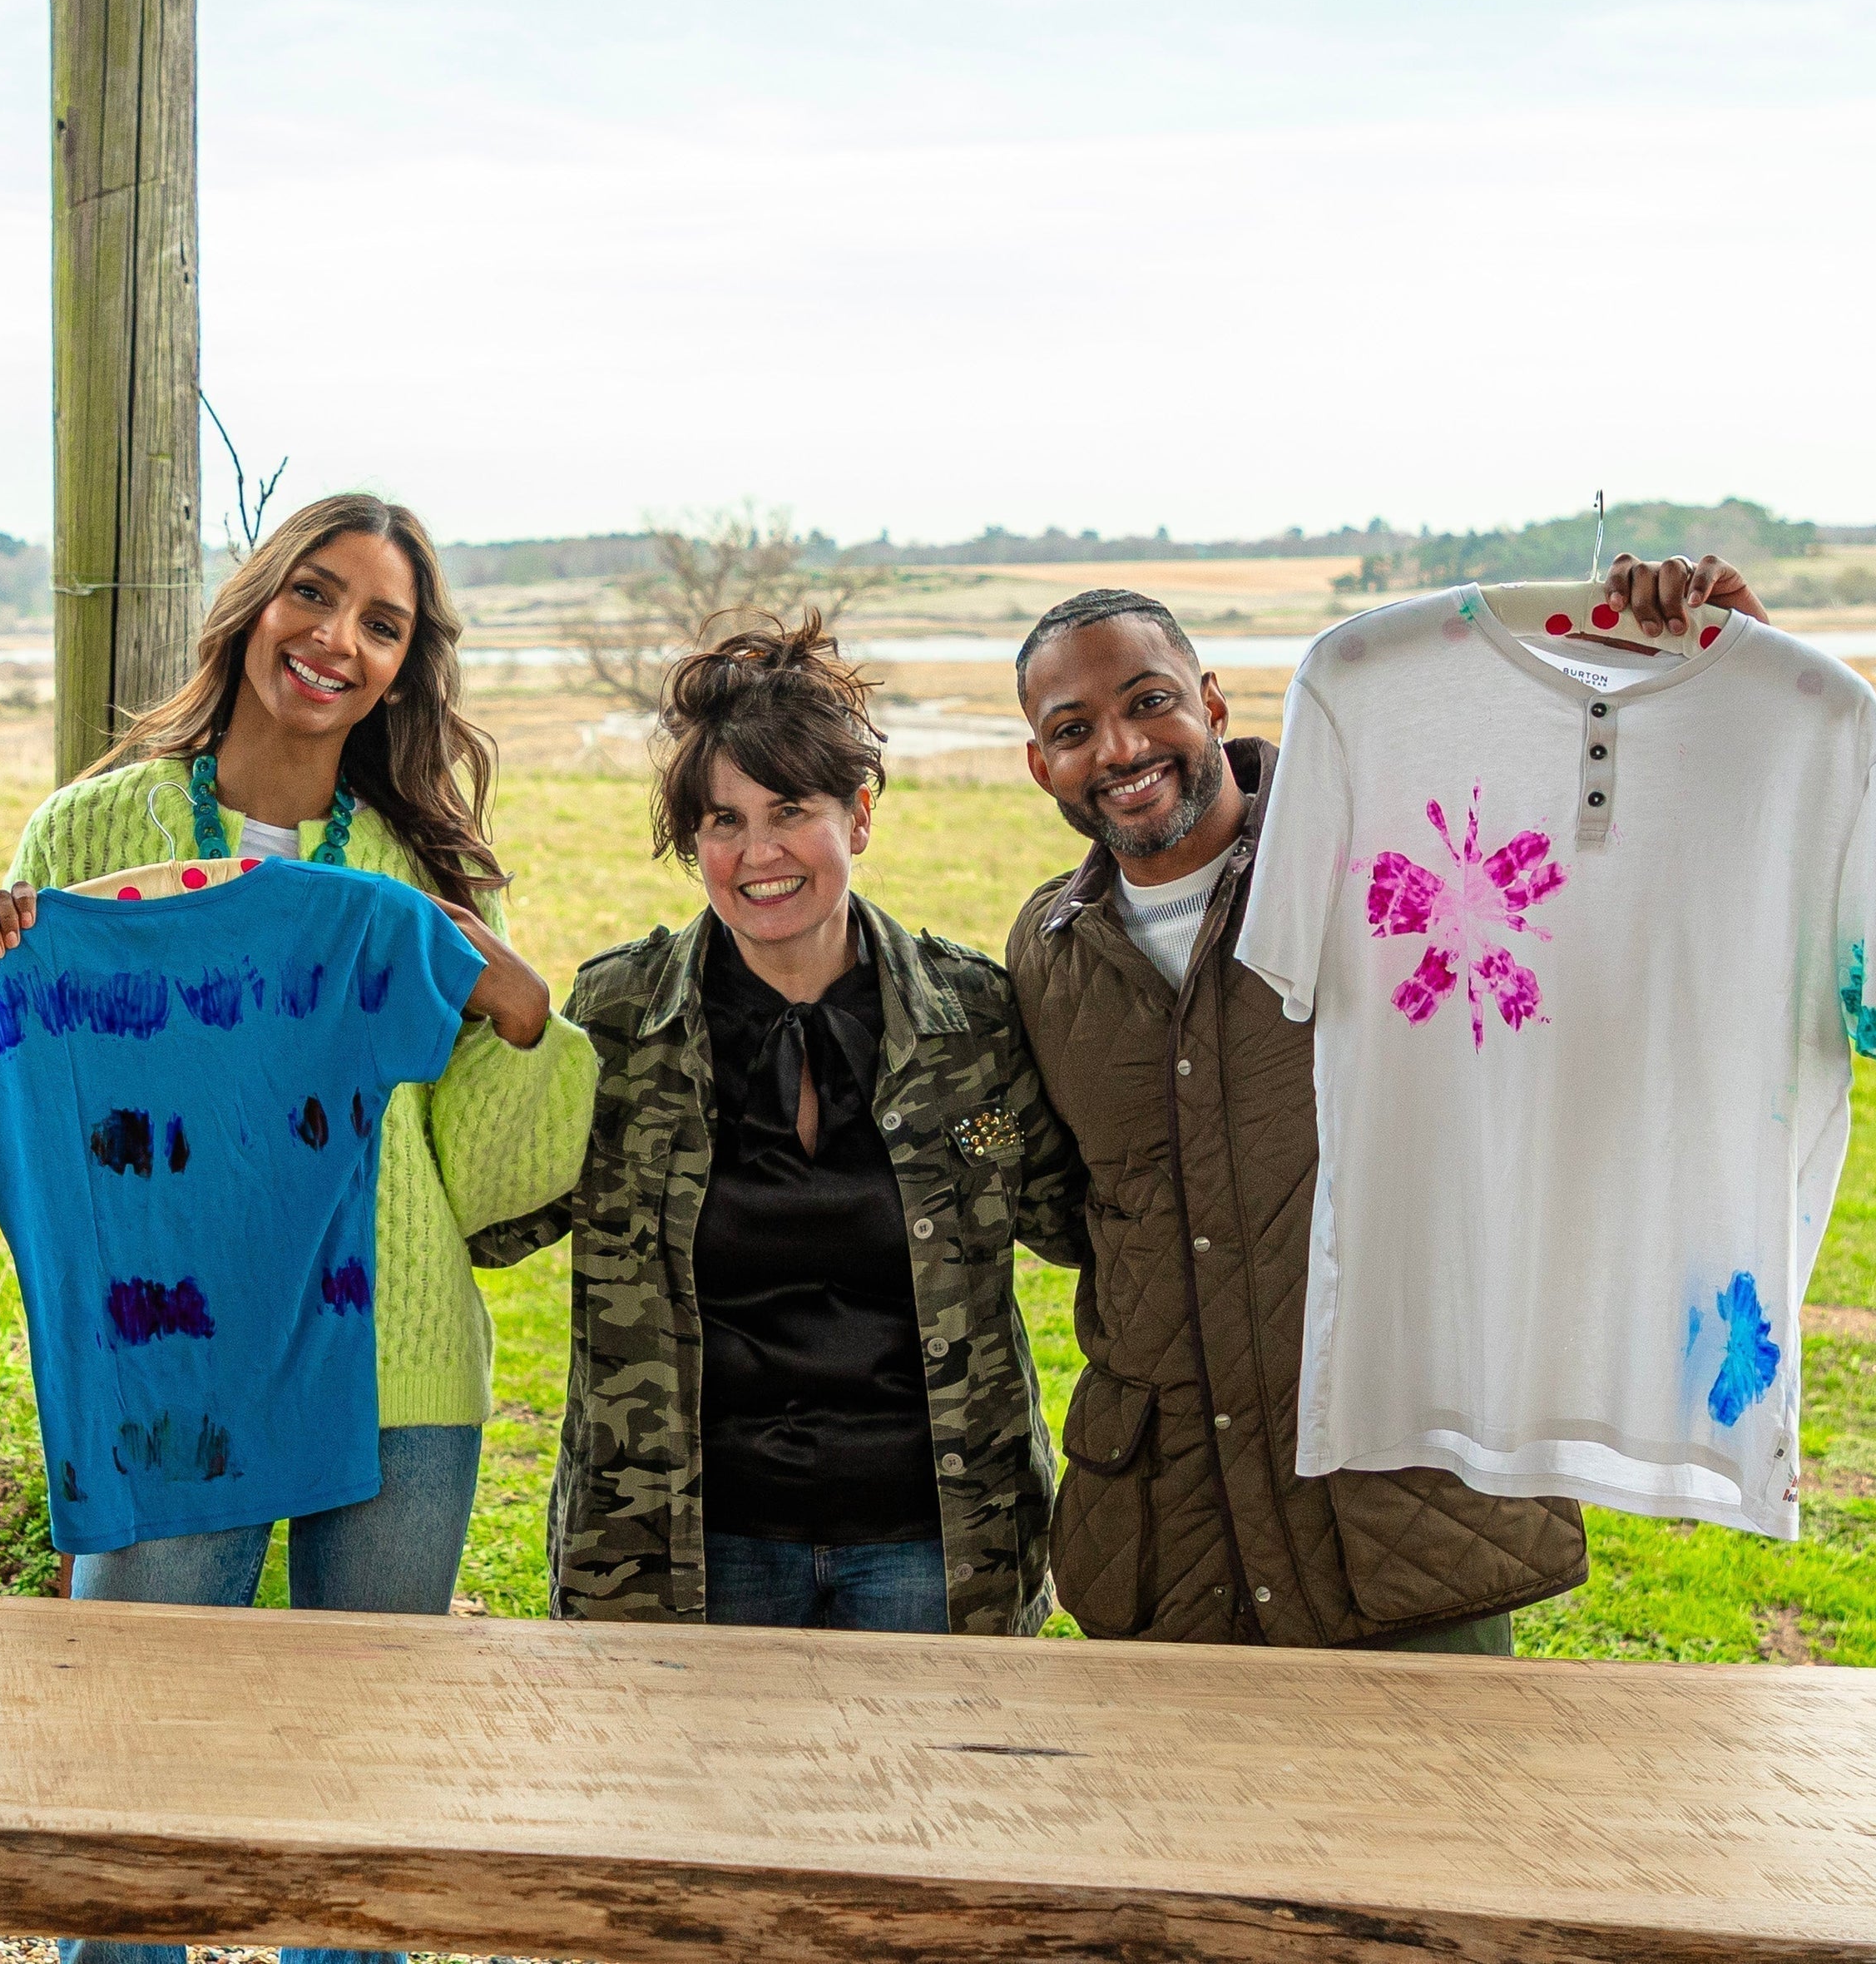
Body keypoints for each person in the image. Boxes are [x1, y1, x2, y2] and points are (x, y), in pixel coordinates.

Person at [0, 490, 589, 1964]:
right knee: (123, 1802)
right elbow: (46, 1102)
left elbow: (474, 1181)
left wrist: (522, 1021)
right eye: (316, 594)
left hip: (394, 1372)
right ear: (253, 607)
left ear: (404, 671)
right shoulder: (90, 826)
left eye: (383, 625)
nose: (337, 640)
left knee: (356, 1820)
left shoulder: (416, 877)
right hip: (172, 1375)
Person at [1002, 554, 1767, 1651]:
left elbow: (1630, 876)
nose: (1120, 750)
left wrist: (1721, 673)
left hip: (1404, 1520)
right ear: (1041, 764)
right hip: (1170, 1544)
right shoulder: (1050, 951)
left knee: (1446, 1822)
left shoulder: (1392, 866)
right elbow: (1076, 1213)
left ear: (1212, 703)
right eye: (1075, 729)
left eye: (1149, 702)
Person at [473, 617, 1084, 1633]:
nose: (757, 853)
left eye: (789, 809)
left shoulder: (970, 1019)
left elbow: (1087, 1219)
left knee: (927, 1797)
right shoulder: (622, 1017)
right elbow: (499, 1225)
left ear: (861, 813)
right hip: (683, 1549)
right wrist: (517, 1034)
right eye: (722, 821)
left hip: (930, 1547)